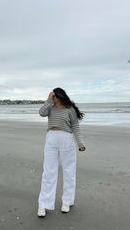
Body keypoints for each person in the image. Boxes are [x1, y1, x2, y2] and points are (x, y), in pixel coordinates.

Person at [37, 87, 86, 217]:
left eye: (54, 96)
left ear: (59, 96)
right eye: (52, 96)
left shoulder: (69, 109)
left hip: (66, 139)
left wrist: (80, 143)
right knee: (48, 172)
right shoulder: (50, 108)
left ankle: (67, 201)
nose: (53, 98)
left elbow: (75, 126)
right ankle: (43, 204)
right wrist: (48, 100)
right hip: (51, 139)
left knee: (69, 171)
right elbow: (41, 113)